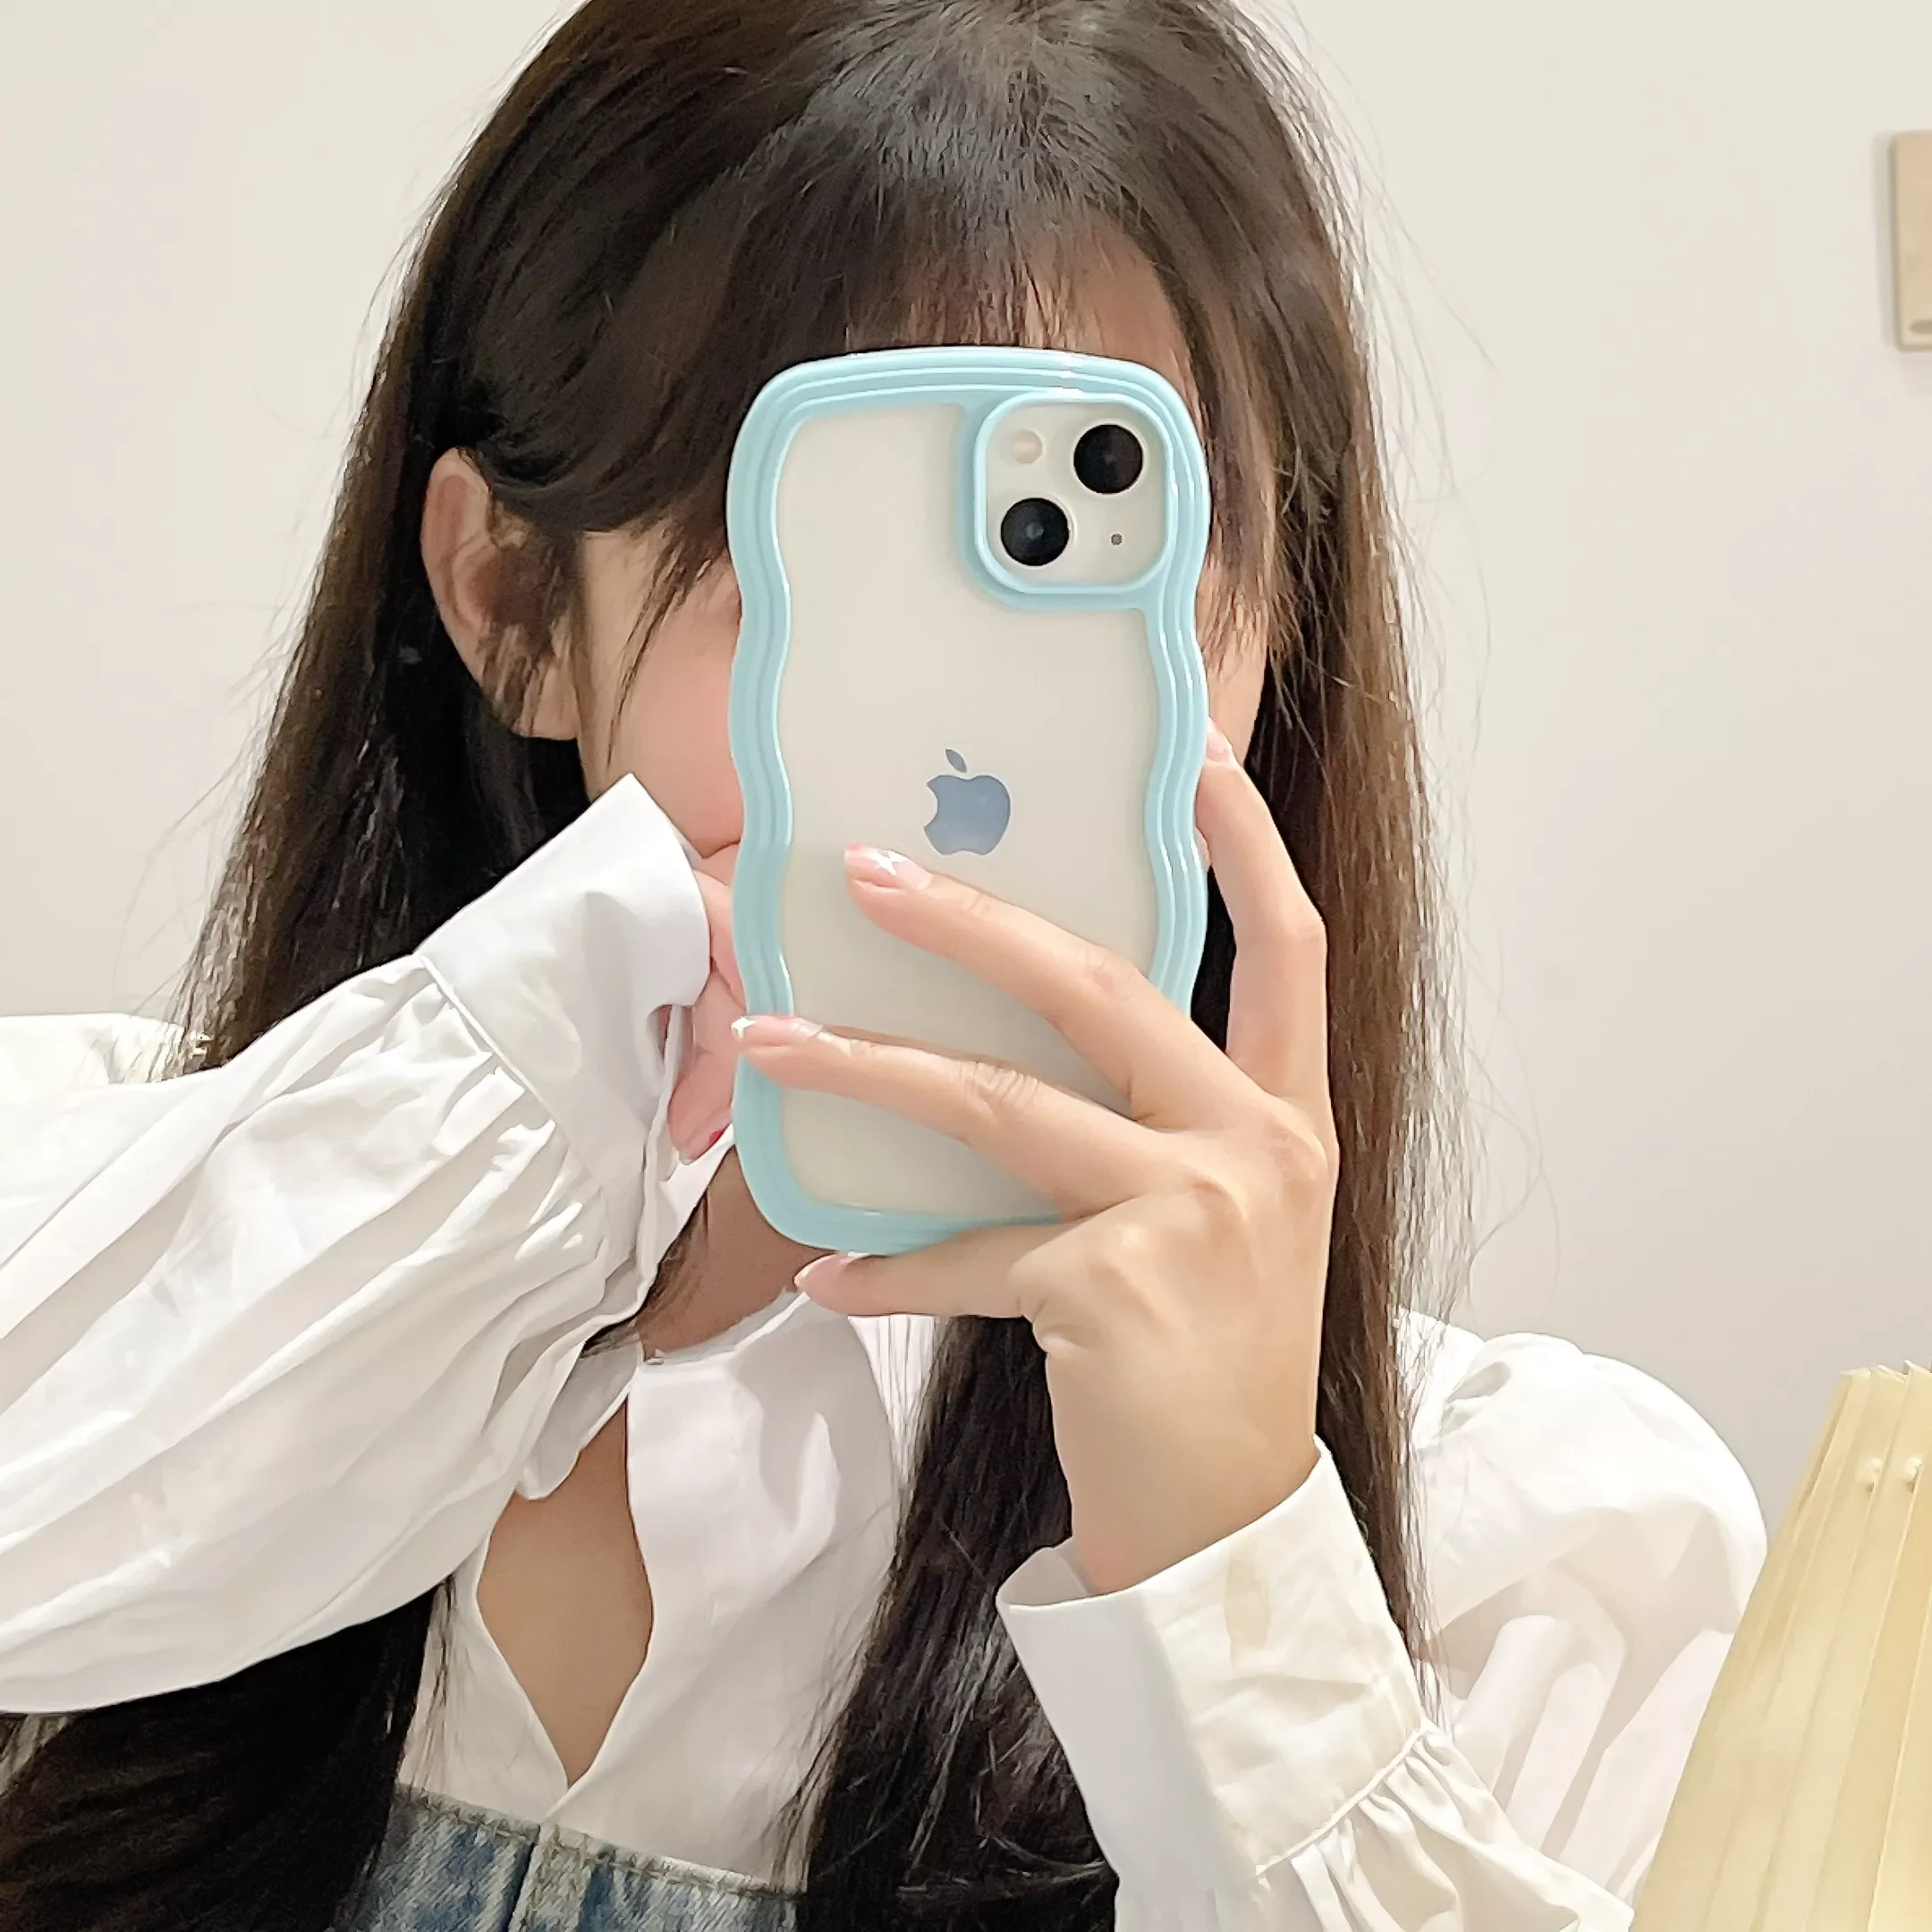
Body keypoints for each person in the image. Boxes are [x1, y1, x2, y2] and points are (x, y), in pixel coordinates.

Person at [0, 3, 1764, 1928]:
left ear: (1275, 635)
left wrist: (1239, 1599)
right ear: (514, 603)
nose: (959, 771)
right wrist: (468, 1124)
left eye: (1111, 595)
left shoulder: (1513, 1557)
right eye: (826, 581)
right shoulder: (144, 1244)